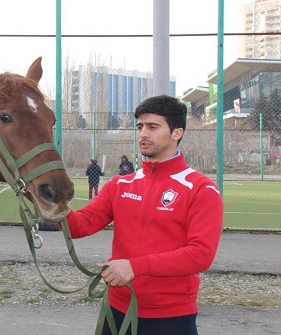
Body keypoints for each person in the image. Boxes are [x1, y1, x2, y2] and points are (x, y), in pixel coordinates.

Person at [64, 95, 224, 335]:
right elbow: (80, 226)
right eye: (140, 127)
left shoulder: (201, 188)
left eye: (153, 127)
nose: (143, 134)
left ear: (176, 133)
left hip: (169, 316)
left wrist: (135, 266)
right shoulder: (120, 184)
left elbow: (201, 254)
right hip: (116, 309)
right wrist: (50, 203)